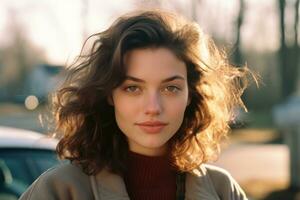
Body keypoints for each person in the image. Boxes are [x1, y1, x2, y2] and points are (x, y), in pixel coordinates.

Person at [20, 9, 250, 200]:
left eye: (170, 88)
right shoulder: (59, 190)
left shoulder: (223, 190)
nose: (153, 107)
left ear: (190, 94)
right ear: (110, 94)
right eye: (133, 88)